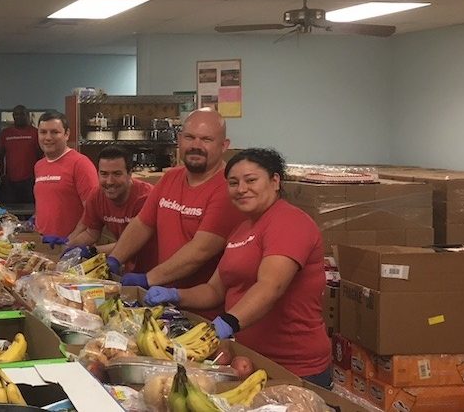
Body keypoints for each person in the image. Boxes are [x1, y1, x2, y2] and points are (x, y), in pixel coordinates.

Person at [144, 148, 331, 387]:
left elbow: (271, 285)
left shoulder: (290, 222)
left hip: (295, 367)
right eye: (233, 183)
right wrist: (175, 295)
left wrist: (228, 321)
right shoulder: (241, 230)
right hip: (249, 359)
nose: (241, 189)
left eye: (251, 180)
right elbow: (214, 290)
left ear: (275, 181)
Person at [106, 109, 245, 320]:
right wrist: (114, 259)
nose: (196, 145)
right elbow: (142, 224)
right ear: (179, 140)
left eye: (206, 139)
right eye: (189, 137)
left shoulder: (228, 189)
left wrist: (149, 279)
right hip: (162, 304)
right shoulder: (171, 177)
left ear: (224, 145)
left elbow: (200, 250)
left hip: (201, 315)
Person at [64, 145, 155, 273]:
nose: (109, 181)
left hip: (154, 269)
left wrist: (93, 251)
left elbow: (134, 243)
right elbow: (91, 233)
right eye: (104, 174)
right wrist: (68, 247)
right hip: (128, 268)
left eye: (117, 174)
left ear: (129, 174)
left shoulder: (146, 198)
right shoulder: (97, 195)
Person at [33, 110, 99, 238]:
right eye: (43, 132)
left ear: (67, 134)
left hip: (70, 245)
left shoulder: (81, 164)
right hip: (42, 242)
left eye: (54, 132)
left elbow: (93, 211)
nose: (48, 138)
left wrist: (71, 241)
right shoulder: (39, 166)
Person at [0, 105, 41, 204]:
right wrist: (2, 176)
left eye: (22, 114)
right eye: (16, 114)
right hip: (10, 181)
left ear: (27, 115)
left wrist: (37, 176)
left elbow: (41, 156)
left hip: (30, 181)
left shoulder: (35, 133)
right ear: (13, 116)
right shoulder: (5, 133)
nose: (19, 116)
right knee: (10, 209)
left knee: (31, 209)